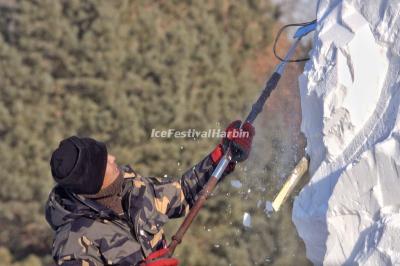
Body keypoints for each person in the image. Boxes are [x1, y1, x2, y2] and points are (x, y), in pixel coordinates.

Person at [45, 120, 255, 266]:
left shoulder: (133, 190)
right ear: (93, 179)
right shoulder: (73, 241)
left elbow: (184, 192)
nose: (114, 158)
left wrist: (223, 156)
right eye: (106, 161)